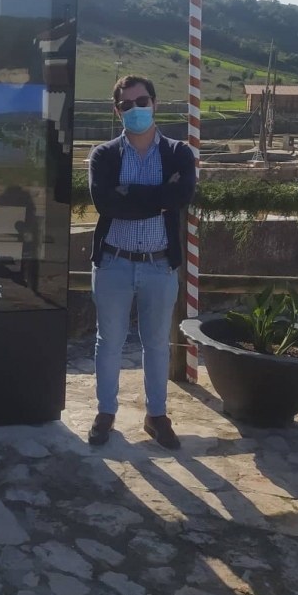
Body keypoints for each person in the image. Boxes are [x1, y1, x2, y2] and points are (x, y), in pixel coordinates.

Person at [86, 75, 197, 449]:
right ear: (117, 110)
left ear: (155, 103)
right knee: (109, 342)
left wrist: (130, 195)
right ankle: (106, 413)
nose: (135, 109)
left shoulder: (179, 153)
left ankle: (157, 415)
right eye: (126, 104)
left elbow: (182, 196)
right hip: (113, 263)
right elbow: (106, 204)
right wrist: (161, 196)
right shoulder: (103, 155)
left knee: (157, 343)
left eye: (142, 101)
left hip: (159, 265)